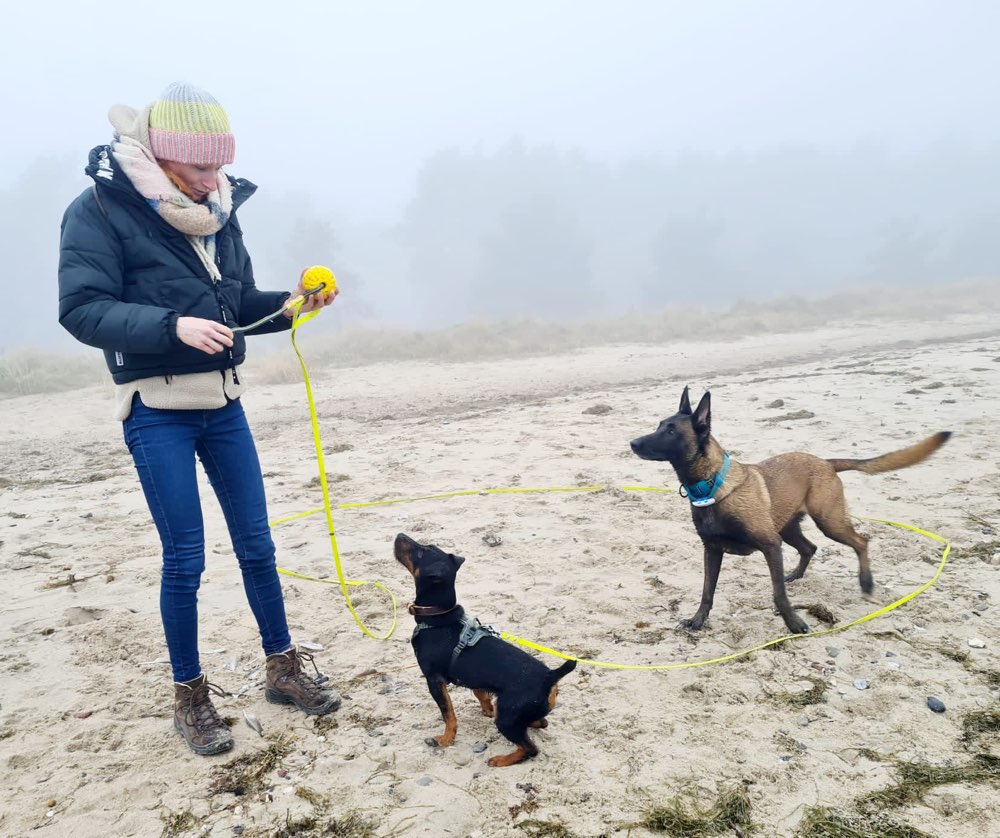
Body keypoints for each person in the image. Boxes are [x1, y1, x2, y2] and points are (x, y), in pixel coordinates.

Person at [58, 81, 341, 756]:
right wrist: (172, 327)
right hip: (156, 410)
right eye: (200, 166)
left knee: (258, 546)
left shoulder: (218, 211)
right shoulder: (98, 208)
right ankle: (191, 699)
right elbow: (82, 309)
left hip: (224, 406)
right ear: (159, 153)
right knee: (185, 559)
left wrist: (293, 304)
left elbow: (237, 300)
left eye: (220, 165)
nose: (215, 179)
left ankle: (283, 670)